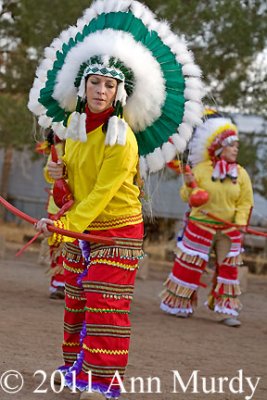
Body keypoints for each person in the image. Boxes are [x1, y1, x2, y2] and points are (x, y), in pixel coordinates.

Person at [28, 1, 204, 398]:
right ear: (83, 85)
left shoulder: (121, 136)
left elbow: (104, 190)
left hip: (117, 229)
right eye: (95, 82)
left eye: (109, 85)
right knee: (76, 302)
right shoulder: (72, 130)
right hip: (82, 226)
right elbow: (70, 186)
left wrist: (65, 224)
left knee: (105, 304)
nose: (101, 90)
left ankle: (102, 382)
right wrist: (57, 183)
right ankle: (75, 368)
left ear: (119, 92)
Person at [160, 109, 254, 327]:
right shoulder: (200, 170)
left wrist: (240, 224)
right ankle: (179, 304)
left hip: (229, 230)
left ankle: (226, 311)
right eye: (231, 145)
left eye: (236, 146)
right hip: (200, 225)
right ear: (219, 147)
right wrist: (190, 185)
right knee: (189, 266)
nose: (235, 149)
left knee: (228, 269)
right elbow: (186, 196)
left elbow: (245, 202)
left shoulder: (241, 174)